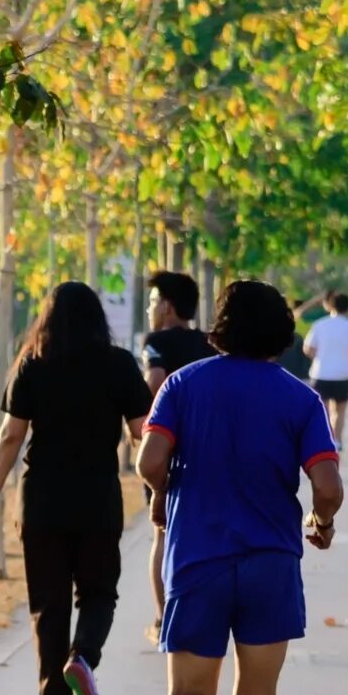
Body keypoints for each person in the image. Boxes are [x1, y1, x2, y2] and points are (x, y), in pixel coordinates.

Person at [136, 278, 343, 695]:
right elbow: (326, 486)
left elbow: (152, 460)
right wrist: (320, 521)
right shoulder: (300, 398)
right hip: (270, 564)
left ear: (218, 328)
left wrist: (162, 495)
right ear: (281, 332)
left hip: (198, 560)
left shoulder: (181, 384)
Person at [0, 281, 152, 695]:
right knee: (99, 592)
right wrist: (162, 486)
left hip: (41, 501)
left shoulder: (33, 364)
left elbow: (11, 435)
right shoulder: (118, 364)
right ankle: (83, 658)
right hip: (97, 497)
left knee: (48, 603)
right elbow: (142, 432)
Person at [139, 270, 217, 639]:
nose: (152, 308)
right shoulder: (210, 342)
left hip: (167, 447)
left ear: (167, 307)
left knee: (162, 533)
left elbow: (154, 381)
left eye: (154, 301)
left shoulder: (155, 342)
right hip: (208, 447)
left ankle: (162, 617)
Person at [301, 292, 348, 436]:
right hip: (344, 374)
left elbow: (308, 348)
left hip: (321, 373)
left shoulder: (319, 325)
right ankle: (337, 440)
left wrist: (318, 358)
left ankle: (324, 438)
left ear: (330, 306)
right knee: (340, 410)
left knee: (322, 410)